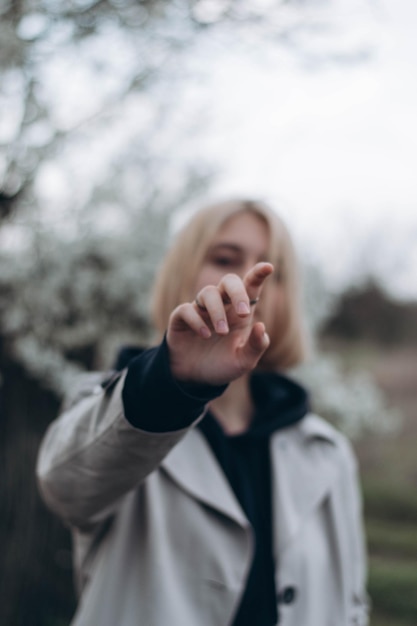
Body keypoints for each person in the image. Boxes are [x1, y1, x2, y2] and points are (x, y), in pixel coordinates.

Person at [36, 199, 369, 626]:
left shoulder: (327, 450)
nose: (249, 281)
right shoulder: (119, 409)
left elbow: (350, 602)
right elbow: (65, 486)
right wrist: (175, 385)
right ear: (182, 273)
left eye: (275, 271)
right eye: (225, 259)